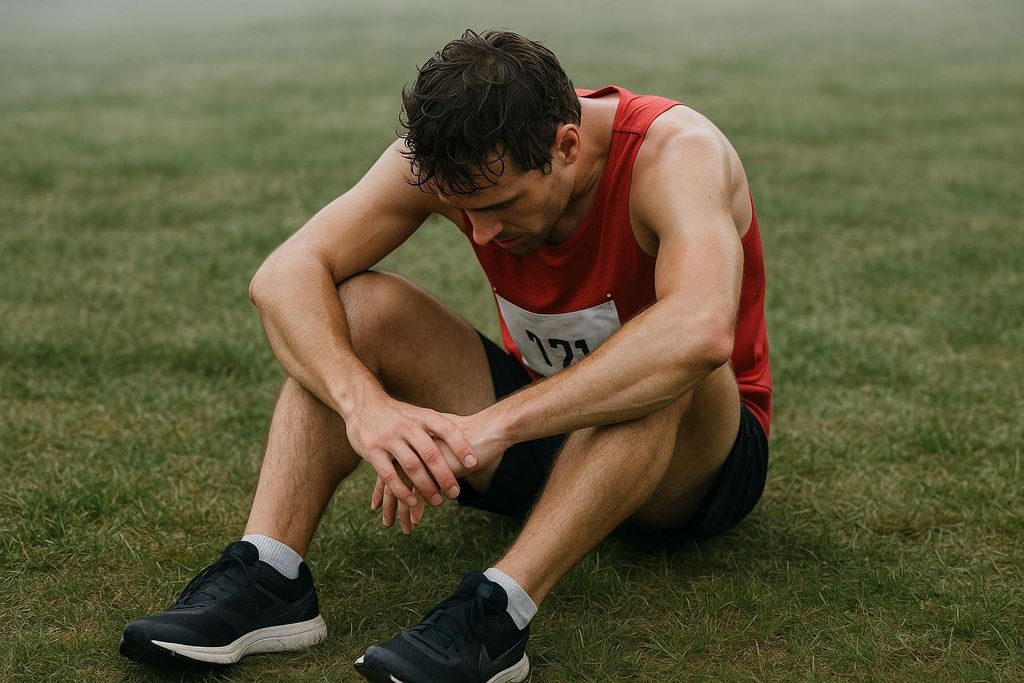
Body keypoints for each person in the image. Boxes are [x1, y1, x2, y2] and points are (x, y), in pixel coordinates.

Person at [119, 28, 772, 683]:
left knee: (670, 357)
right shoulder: (451, 159)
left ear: (566, 145)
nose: (481, 232)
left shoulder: (675, 153)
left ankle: (498, 613)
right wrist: (365, 407)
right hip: (544, 437)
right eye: (462, 212)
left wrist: (494, 426)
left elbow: (699, 331)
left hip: (694, 467)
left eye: (499, 206)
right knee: (356, 307)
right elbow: (283, 273)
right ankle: (269, 572)